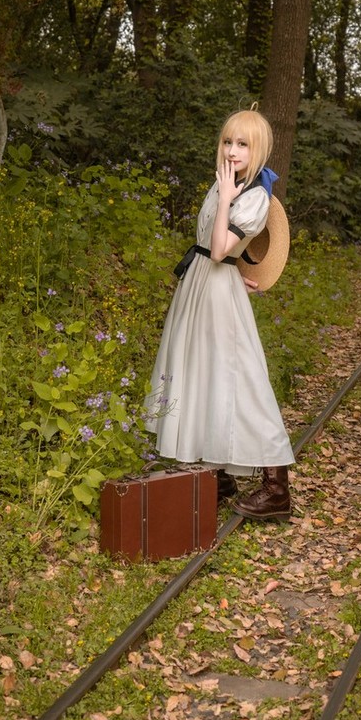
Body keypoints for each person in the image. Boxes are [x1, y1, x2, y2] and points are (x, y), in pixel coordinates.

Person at [144, 106, 294, 521]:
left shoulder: (254, 195)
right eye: (228, 141)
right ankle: (220, 473)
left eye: (243, 144)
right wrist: (236, 270)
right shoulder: (225, 182)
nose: (232, 150)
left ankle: (277, 490)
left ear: (258, 149)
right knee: (202, 374)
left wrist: (227, 198)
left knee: (243, 379)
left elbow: (217, 249)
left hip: (216, 291)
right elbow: (217, 249)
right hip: (201, 286)